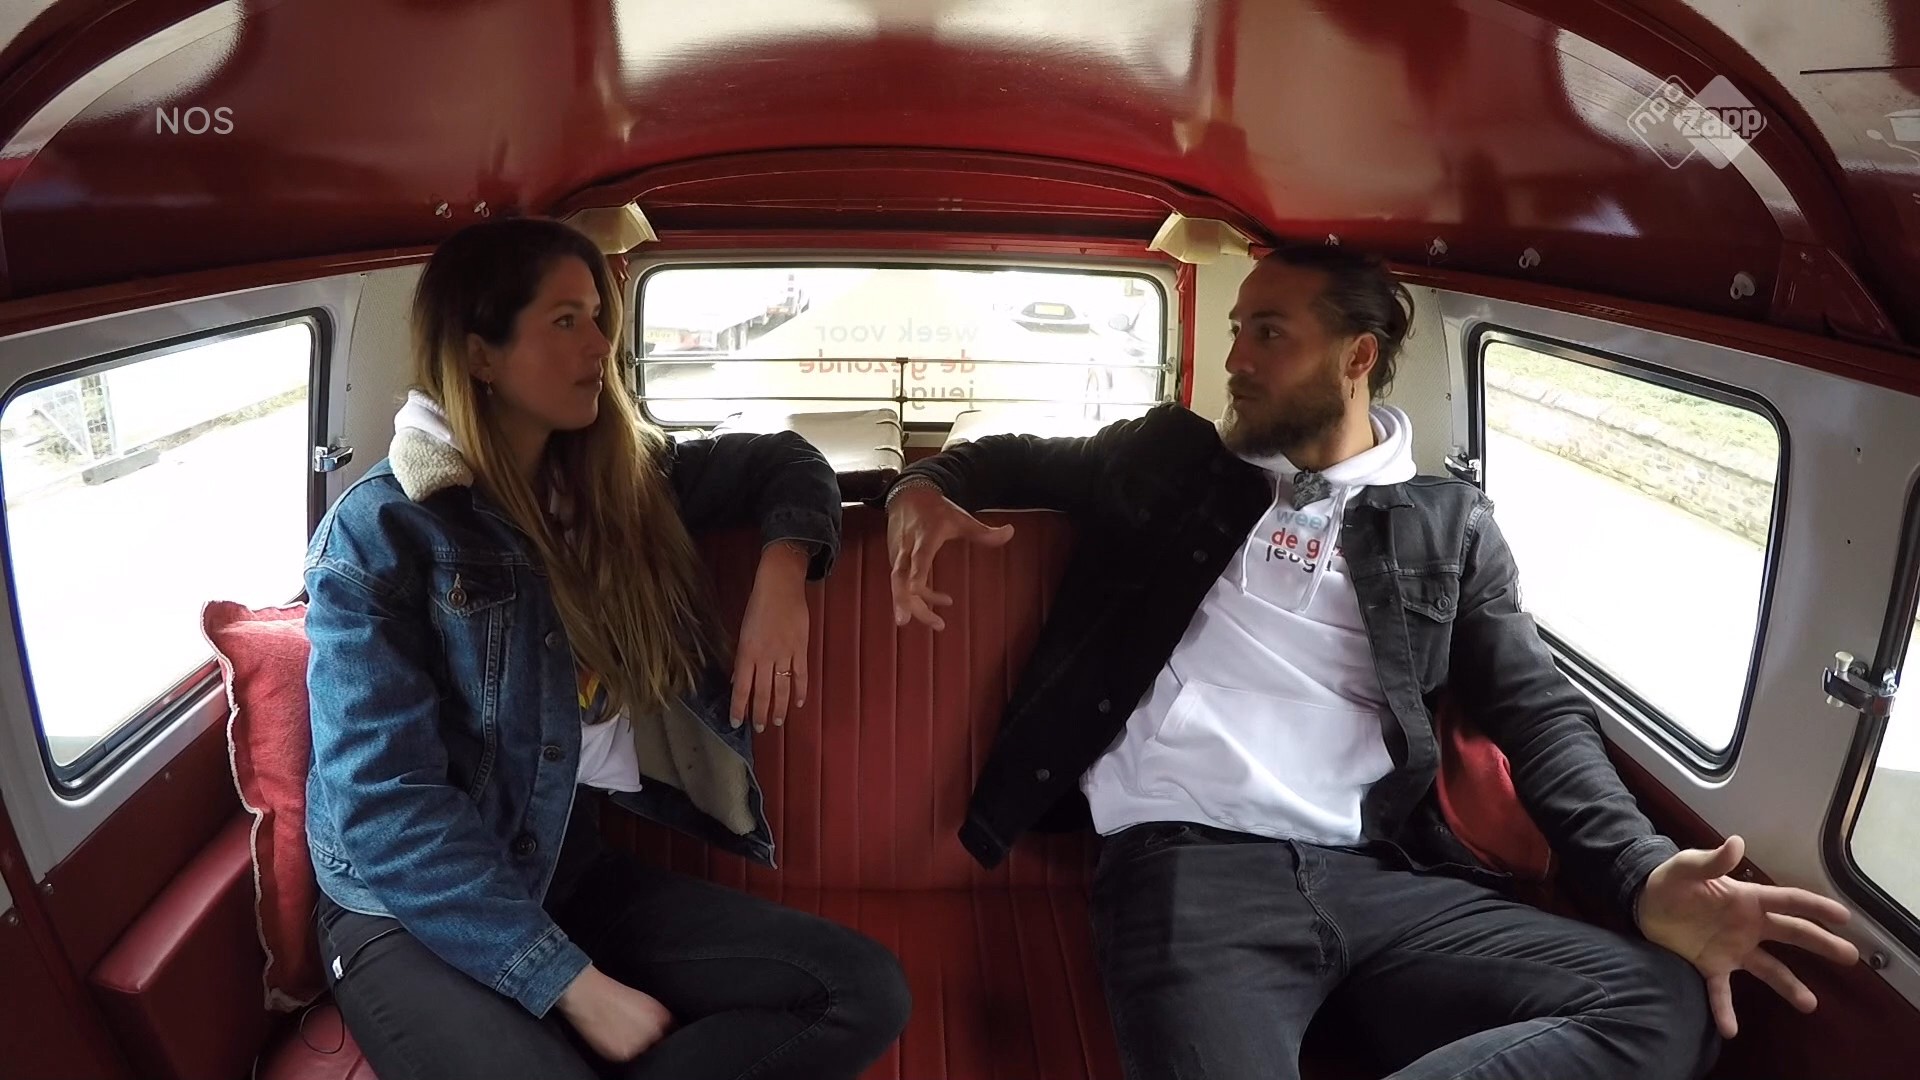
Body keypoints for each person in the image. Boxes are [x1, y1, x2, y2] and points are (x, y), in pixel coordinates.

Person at [880, 243, 1859, 1080]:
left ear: (1358, 356)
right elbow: (1002, 457)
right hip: (1189, 867)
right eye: (1237, 330)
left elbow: (1538, 713)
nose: (1234, 358)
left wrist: (1642, 874)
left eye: (1269, 333)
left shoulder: (1448, 523)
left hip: (1385, 874)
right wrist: (918, 488)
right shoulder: (1168, 461)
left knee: (1661, 1008)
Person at [304, 217, 910, 1080]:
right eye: (565, 321)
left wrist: (784, 577)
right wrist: (572, 985)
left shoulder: (618, 481)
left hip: (559, 861)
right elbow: (385, 807)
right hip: (404, 906)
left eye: (598, 317)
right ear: (480, 355)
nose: (601, 345)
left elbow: (786, 459)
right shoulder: (381, 533)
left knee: (860, 990)